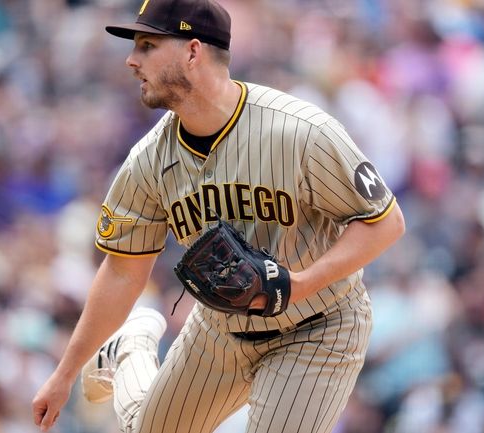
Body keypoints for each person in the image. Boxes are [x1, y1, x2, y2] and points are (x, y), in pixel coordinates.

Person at [31, 0, 406, 432]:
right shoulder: (149, 162)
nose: (132, 60)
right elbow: (121, 273)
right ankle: (131, 344)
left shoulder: (298, 130)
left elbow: (385, 222)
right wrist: (64, 374)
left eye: (148, 46)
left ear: (193, 52)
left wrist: (298, 285)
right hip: (220, 328)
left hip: (317, 326)